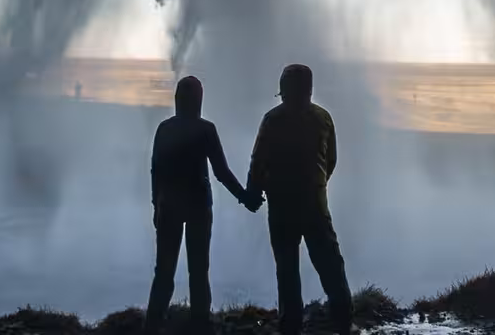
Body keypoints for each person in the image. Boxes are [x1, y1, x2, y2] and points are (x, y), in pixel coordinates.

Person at [245, 64, 352, 335]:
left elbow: (258, 161)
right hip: (315, 205)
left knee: (287, 269)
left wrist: (254, 192)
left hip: (281, 207)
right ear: (309, 90)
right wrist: (315, 187)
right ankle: (343, 322)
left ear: (284, 90)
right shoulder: (324, 118)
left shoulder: (272, 120)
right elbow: (331, 161)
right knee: (329, 263)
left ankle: (290, 327)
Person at [146, 75, 254, 335]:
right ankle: (200, 325)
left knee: (164, 272)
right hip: (198, 207)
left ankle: (151, 325)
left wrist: (155, 205)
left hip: (168, 207)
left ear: (177, 100)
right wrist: (245, 197)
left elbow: (155, 170)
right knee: (198, 270)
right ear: (199, 101)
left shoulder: (164, 128)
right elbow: (221, 172)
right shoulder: (206, 129)